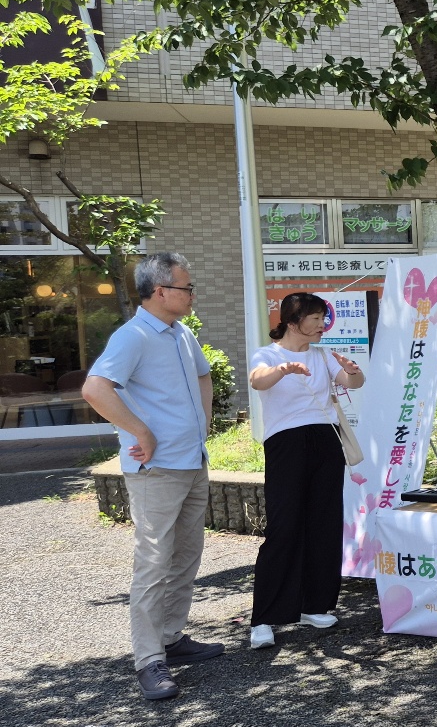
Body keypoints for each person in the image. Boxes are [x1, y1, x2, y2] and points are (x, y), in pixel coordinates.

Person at [81, 253, 224, 700]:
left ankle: (171, 636)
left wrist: (202, 424)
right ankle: (148, 660)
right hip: (156, 469)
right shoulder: (134, 335)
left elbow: (203, 375)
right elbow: (95, 388)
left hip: (191, 460)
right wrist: (140, 430)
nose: (192, 294)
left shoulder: (181, 333)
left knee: (186, 555)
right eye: (186, 287)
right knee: (155, 562)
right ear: (160, 291)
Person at [244, 293, 366, 651]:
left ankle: (314, 605)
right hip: (286, 445)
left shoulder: (322, 355)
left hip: (326, 440)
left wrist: (353, 372)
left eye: (322, 318)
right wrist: (284, 369)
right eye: (315, 318)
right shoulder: (268, 354)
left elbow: (352, 383)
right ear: (293, 321)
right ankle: (264, 618)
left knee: (324, 523)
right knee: (283, 527)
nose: (321, 324)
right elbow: (257, 380)